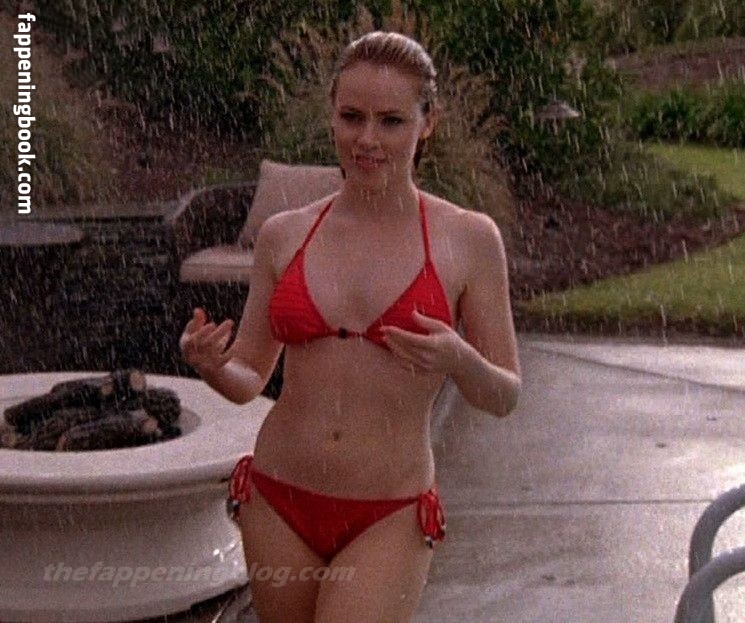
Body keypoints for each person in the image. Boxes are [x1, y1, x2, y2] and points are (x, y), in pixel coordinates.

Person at [178, 30, 521, 623]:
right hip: (278, 496)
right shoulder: (284, 235)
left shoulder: (468, 239)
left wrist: (459, 358)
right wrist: (211, 367)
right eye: (352, 117)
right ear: (332, 115)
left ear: (428, 123)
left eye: (391, 121)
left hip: (389, 509)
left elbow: (504, 395)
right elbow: (249, 376)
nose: (367, 139)